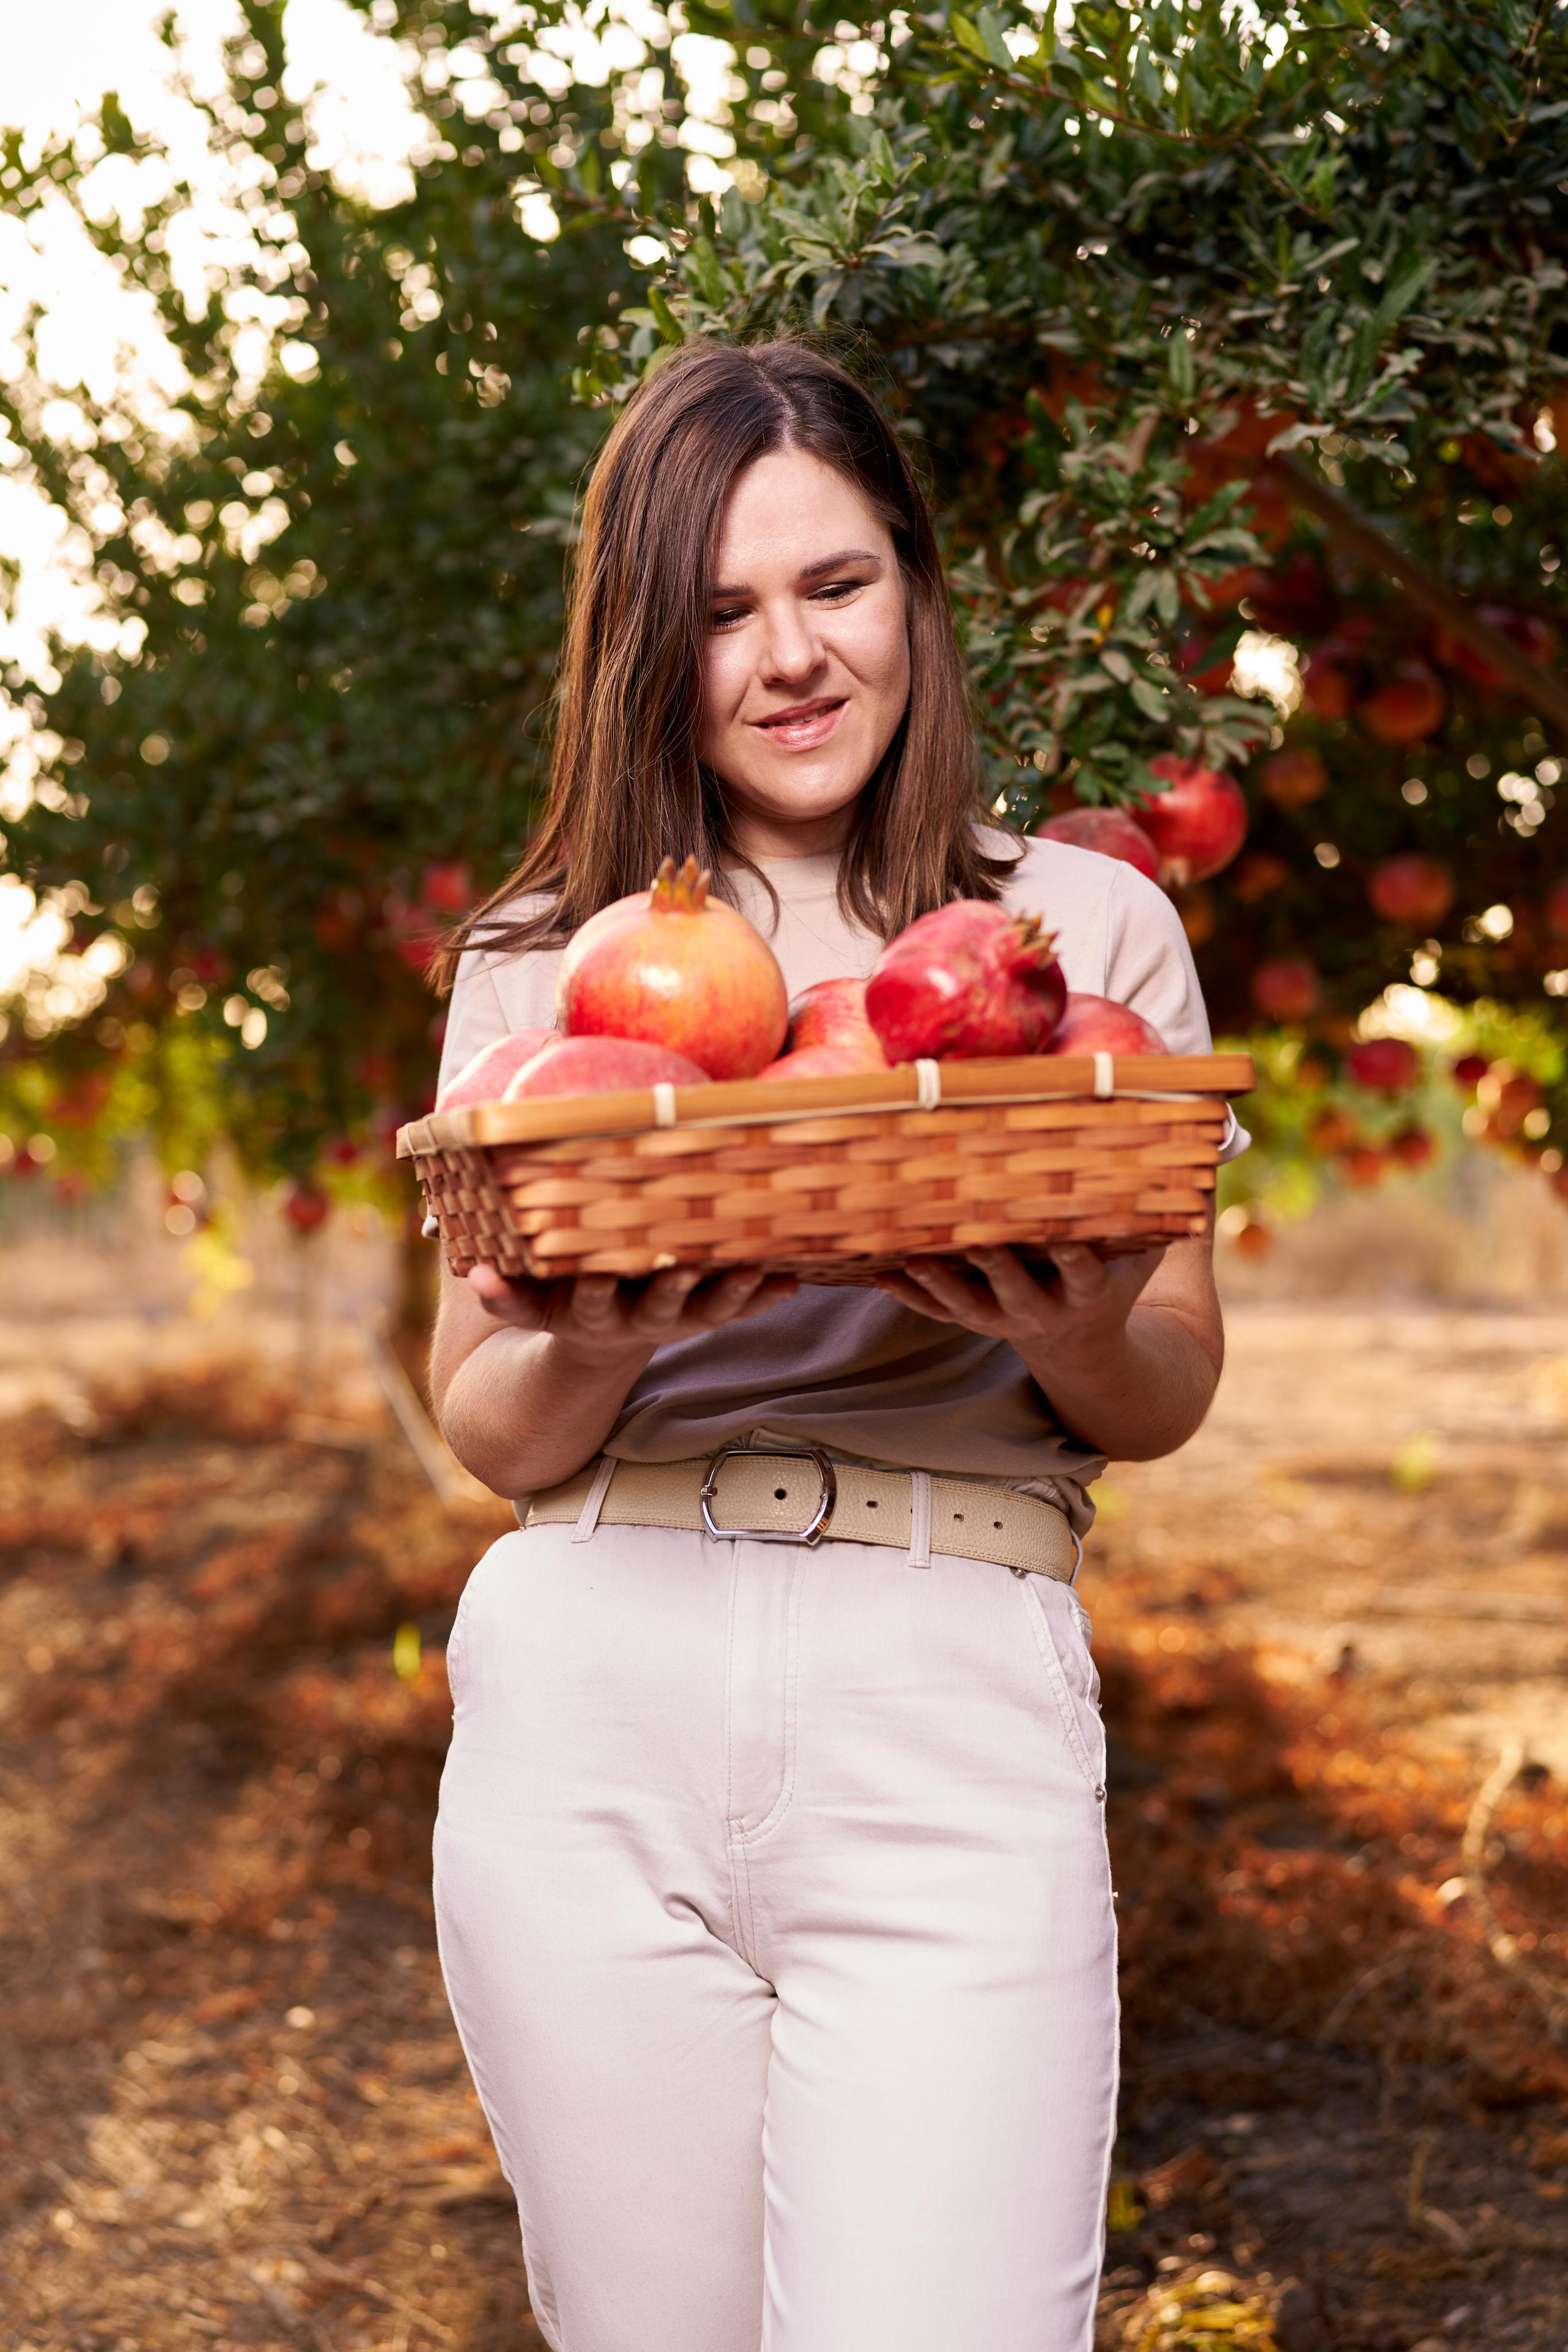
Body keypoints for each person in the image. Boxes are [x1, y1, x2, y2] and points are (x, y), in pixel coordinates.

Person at [428, 337, 1240, 2352]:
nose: (789, 656)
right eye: (720, 611)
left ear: (918, 593)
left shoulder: (1080, 936)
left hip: (946, 1669)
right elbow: (486, 1418)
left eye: (837, 586)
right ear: (649, 649)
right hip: (594, 1669)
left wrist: (1070, 1330)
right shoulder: (549, 964)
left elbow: (1171, 1382)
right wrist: (604, 1345)